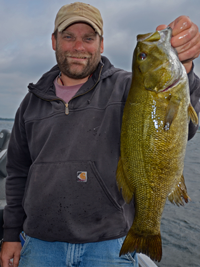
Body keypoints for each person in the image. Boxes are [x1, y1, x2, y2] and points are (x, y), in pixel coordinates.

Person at [0, 2, 200, 267]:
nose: (78, 47)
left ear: (102, 44)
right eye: (68, 37)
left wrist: (184, 66)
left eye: (89, 38)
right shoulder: (31, 102)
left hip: (110, 245)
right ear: (54, 41)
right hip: (40, 244)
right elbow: (16, 171)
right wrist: (11, 234)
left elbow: (179, 125)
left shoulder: (128, 88)